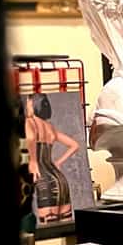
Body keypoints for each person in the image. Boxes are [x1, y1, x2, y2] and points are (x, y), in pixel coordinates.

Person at [24, 93, 78, 223]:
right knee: (64, 226)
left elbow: (31, 138)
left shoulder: (29, 122)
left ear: (33, 104)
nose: (27, 106)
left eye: (28, 103)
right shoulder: (50, 128)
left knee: (49, 228)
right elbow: (74, 145)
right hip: (61, 180)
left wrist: (32, 160)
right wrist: (58, 162)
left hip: (44, 180)